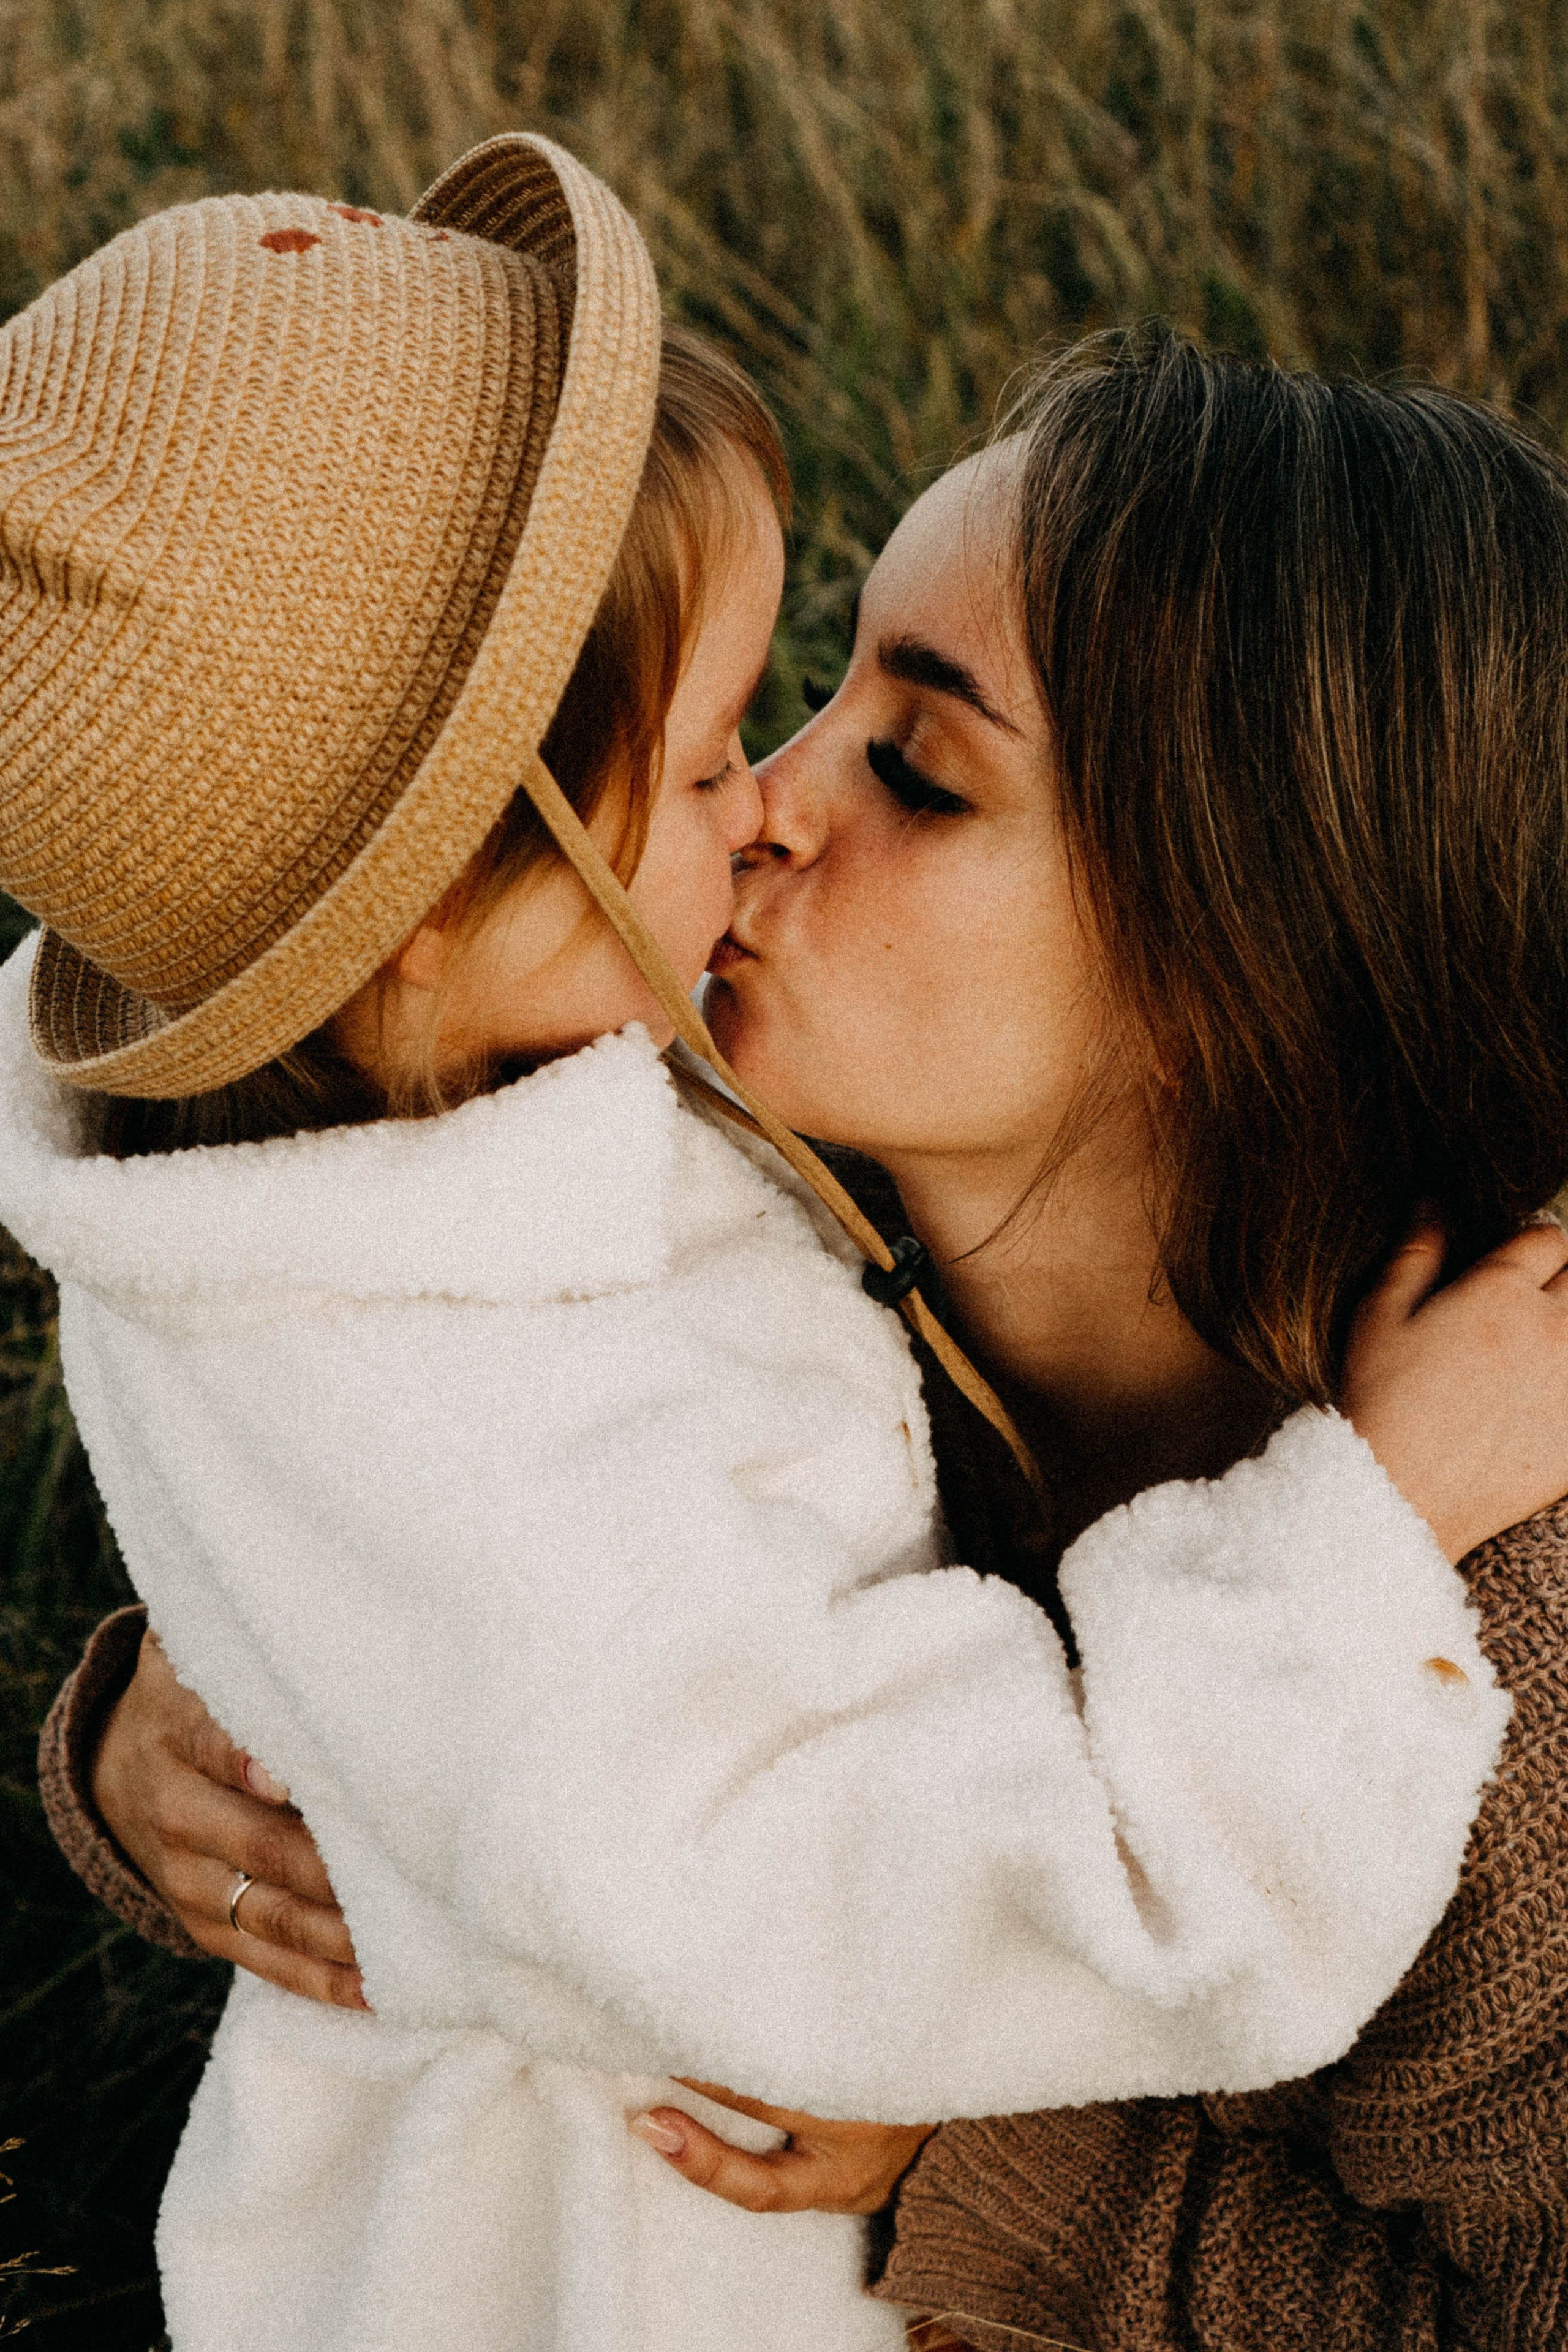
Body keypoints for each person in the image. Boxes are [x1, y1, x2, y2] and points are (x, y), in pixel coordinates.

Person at [20, 235, 1568, 2352]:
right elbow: (503, 1633)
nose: (761, 814)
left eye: (919, 774)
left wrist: (982, 2152)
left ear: (1240, 977)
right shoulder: (707, 1215)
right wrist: (177, 1754)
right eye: (810, 695)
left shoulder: (1506, 1654)